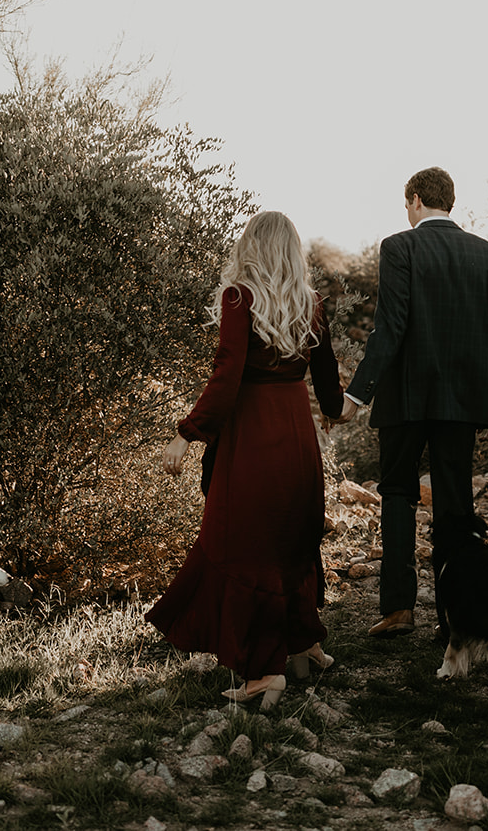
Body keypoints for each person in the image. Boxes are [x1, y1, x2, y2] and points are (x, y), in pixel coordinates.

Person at [147, 211, 345, 708]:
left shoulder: (240, 297)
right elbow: (327, 375)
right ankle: (303, 644)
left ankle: (264, 672)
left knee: (244, 545)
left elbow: (227, 374)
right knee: (290, 539)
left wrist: (187, 434)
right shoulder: (311, 303)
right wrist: (335, 411)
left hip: (253, 436)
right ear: (292, 250)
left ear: (251, 246)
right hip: (297, 431)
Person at [340, 167, 488, 637]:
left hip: (406, 396)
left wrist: (357, 393)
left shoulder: (400, 247)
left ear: (416, 200)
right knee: (455, 505)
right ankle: (457, 617)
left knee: (397, 494)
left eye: (406, 204)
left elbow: (391, 326)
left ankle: (399, 609)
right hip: (463, 401)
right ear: (449, 202)